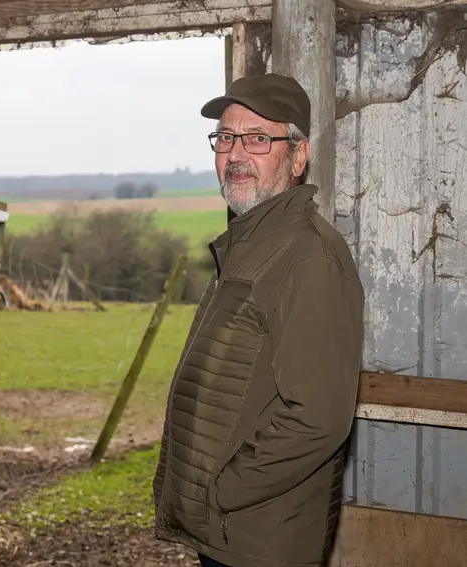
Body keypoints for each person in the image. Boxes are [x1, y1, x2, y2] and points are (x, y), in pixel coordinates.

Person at [152, 73, 365, 567]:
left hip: (259, 538)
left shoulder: (307, 258)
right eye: (226, 138)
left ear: (298, 156)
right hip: (228, 533)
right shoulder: (251, 245)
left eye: (257, 139)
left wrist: (221, 490)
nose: (235, 154)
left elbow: (317, 418)